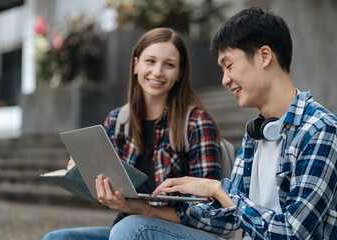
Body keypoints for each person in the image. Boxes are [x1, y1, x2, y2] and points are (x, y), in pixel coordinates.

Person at [95, 7, 337, 240]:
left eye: (229, 65)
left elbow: (293, 233)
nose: (225, 80)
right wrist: (142, 207)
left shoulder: (320, 129)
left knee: (133, 230)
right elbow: (227, 218)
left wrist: (218, 190)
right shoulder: (255, 134)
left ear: (264, 56)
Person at [43, 28, 222, 239]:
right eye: (150, 61)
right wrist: (88, 177)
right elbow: (113, 195)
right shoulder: (117, 121)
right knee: (58, 238)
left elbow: (209, 210)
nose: (157, 72)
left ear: (180, 73)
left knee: (130, 228)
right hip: (130, 230)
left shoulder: (196, 123)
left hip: (184, 233)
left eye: (169, 65)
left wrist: (141, 209)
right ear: (136, 64)